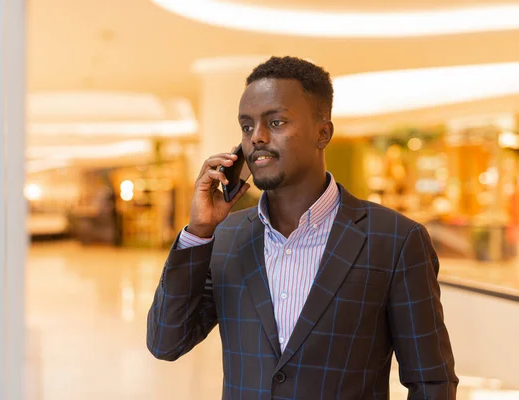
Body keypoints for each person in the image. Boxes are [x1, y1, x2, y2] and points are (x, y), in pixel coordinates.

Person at [147, 56, 458, 399]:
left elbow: (431, 381)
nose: (257, 138)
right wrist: (199, 231)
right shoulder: (226, 237)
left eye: (276, 122)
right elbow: (165, 342)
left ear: (323, 133)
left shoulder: (395, 240)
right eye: (247, 127)